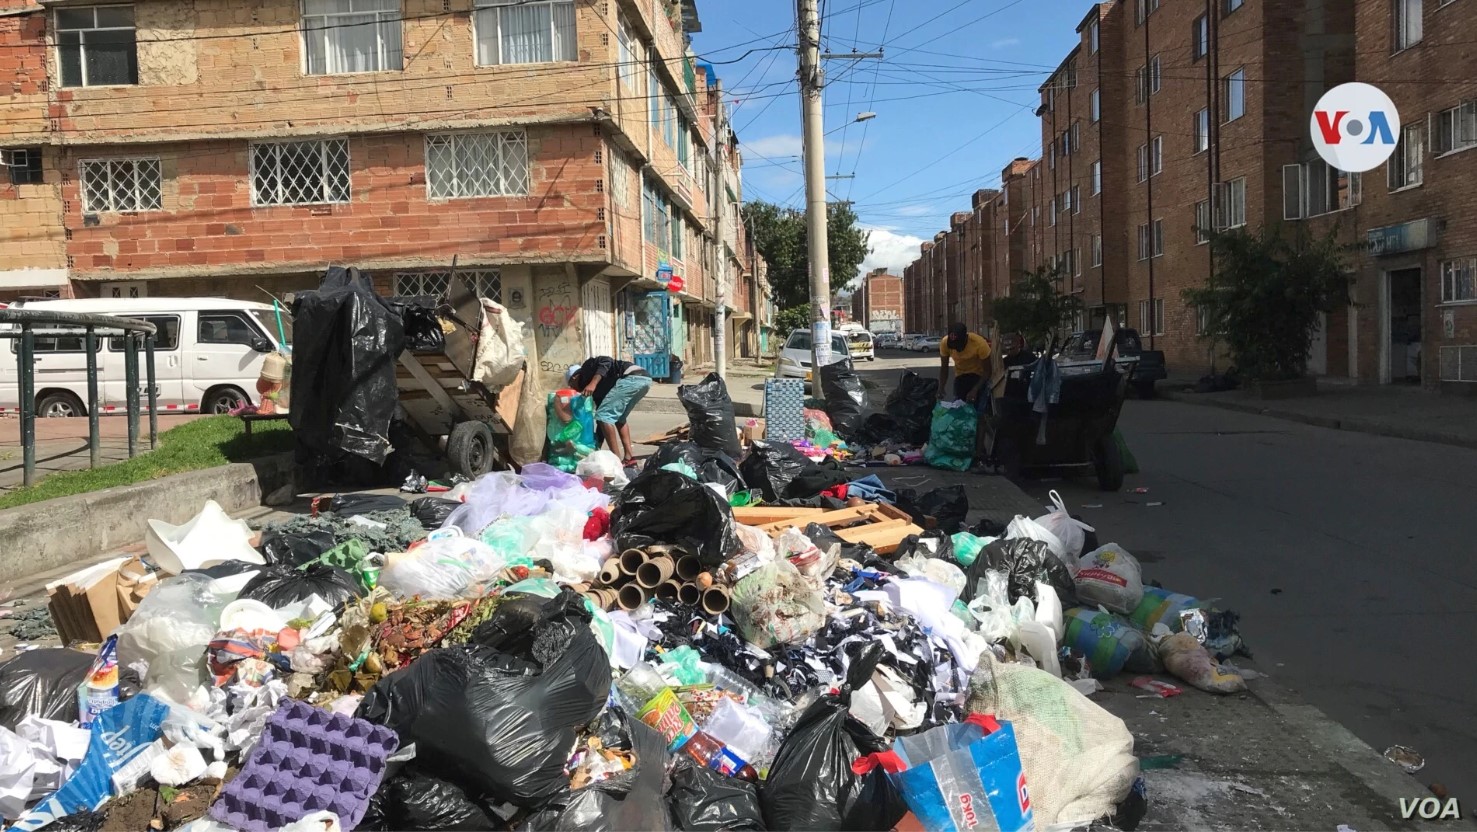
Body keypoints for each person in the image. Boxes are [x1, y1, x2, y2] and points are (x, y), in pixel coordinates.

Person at [567, 357, 652, 467]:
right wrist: (596, 447)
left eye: (571, 385)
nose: (574, 389)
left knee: (604, 416)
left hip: (631, 377)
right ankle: (629, 458)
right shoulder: (598, 393)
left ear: (574, 377)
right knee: (619, 418)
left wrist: (593, 383)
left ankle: (616, 461)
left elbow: (606, 361)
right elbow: (601, 423)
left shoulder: (586, 368)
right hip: (644, 379)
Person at [937, 322, 993, 409]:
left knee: (979, 408)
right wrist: (941, 387)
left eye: (959, 346)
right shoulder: (945, 343)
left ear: (966, 339)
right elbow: (944, 368)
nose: (957, 349)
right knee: (958, 408)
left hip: (979, 376)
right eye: (954, 346)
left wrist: (975, 389)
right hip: (960, 376)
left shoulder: (979, 343)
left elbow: (987, 371)